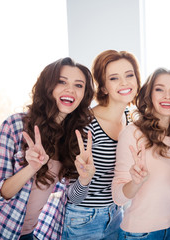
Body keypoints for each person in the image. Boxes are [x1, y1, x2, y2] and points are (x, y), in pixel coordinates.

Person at [0, 57, 95, 240]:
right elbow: (2, 193)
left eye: (79, 85)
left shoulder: (74, 139)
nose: (70, 90)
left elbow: (73, 198)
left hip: (31, 233)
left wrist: (85, 179)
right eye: (62, 81)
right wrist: (31, 168)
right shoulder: (15, 126)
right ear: (47, 86)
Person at [62, 50, 141, 240]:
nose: (124, 82)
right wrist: (84, 179)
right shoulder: (85, 124)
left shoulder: (130, 119)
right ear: (103, 87)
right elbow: (73, 196)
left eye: (129, 75)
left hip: (115, 215)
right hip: (83, 219)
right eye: (114, 78)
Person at [112, 68, 170, 240]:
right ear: (149, 94)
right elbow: (118, 197)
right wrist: (136, 182)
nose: (167, 96)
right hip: (140, 234)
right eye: (159, 89)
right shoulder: (133, 133)